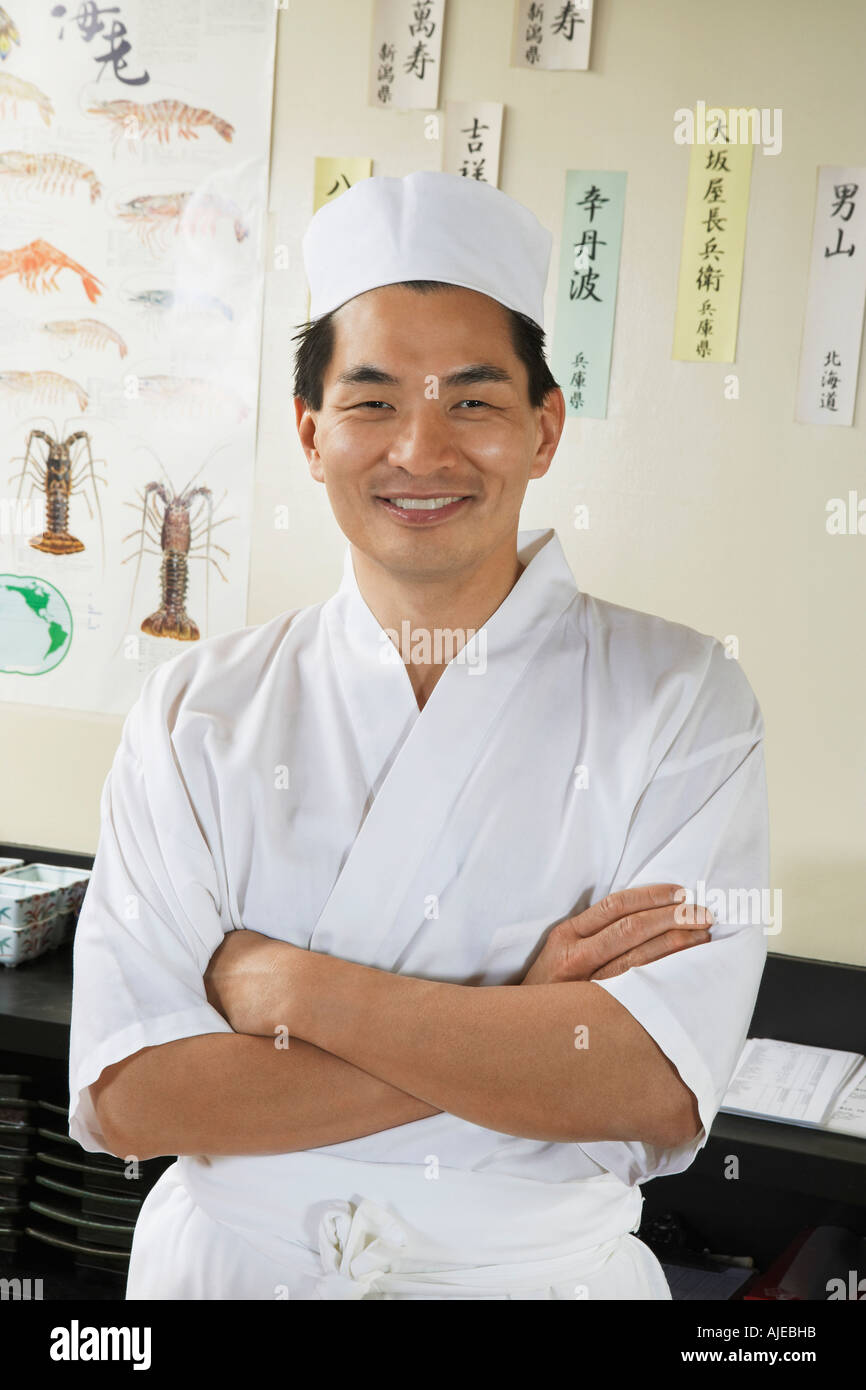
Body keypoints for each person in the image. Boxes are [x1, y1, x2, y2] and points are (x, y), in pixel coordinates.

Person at [67, 171, 770, 1301]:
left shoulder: (679, 695)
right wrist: (518, 1022)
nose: (420, 451)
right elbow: (134, 1100)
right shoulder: (199, 708)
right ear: (309, 432)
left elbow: (646, 1083)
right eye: (373, 400)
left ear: (543, 428)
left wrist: (288, 987)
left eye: (473, 402)